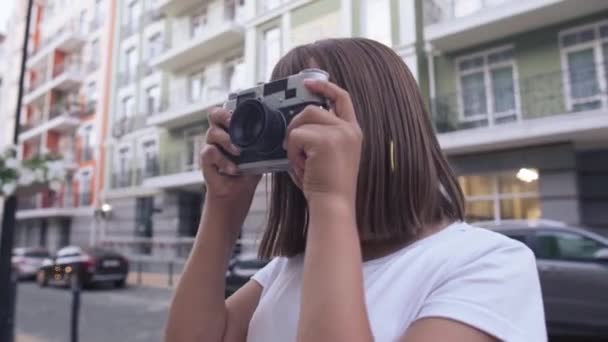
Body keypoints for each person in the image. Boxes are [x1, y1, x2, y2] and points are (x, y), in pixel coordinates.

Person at [164, 38, 546, 342]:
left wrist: (331, 199)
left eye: (308, 108)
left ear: (379, 122)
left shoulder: (489, 264)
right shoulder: (287, 269)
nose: (292, 132)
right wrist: (222, 208)